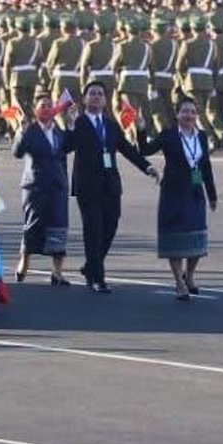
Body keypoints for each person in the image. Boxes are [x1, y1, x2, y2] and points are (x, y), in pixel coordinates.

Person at [62, 81, 156, 293]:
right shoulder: (78, 123)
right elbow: (65, 147)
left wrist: (147, 167)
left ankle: (90, 267)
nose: (96, 97)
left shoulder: (111, 125)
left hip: (111, 185)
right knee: (93, 230)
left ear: (105, 100)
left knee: (110, 227)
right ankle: (98, 277)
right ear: (84, 99)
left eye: (100, 94)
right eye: (92, 94)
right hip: (87, 186)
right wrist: (69, 126)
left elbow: (127, 150)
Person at [138, 97, 220, 299]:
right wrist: (140, 129)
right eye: (185, 111)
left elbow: (205, 167)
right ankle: (178, 281)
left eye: (192, 111)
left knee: (196, 236)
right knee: (175, 236)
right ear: (177, 115)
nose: (189, 115)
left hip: (195, 192)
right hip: (174, 193)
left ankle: (189, 275)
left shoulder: (201, 136)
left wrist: (212, 194)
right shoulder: (168, 136)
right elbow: (145, 150)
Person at [12, 101, 71, 285]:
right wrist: (21, 130)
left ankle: (57, 271)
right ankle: (24, 262)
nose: (46, 108)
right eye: (42, 105)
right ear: (34, 110)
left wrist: (72, 123)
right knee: (32, 224)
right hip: (35, 185)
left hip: (57, 186)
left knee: (59, 225)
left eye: (48, 105)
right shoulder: (30, 131)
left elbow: (65, 153)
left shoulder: (59, 132)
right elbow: (18, 153)